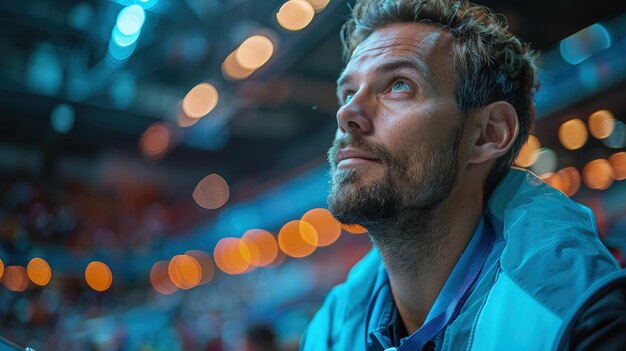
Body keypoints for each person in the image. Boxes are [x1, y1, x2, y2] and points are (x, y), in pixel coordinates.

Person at [299, 0, 622, 350]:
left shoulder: (585, 321)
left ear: (488, 134)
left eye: (399, 85)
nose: (347, 113)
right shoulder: (328, 332)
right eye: (348, 93)